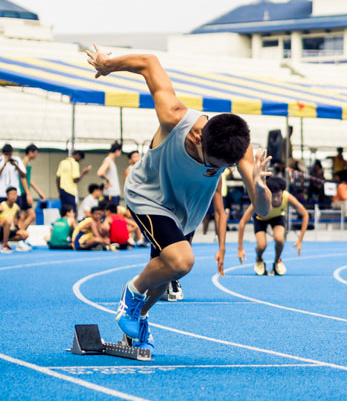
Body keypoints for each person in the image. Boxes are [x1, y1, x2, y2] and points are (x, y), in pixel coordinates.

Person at [86, 45, 272, 350]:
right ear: (199, 137)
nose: (217, 171)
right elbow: (149, 62)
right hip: (147, 195)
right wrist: (108, 64)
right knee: (181, 260)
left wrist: (259, 186)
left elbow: (262, 210)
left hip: (185, 211)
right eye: (213, 166)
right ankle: (130, 292)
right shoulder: (174, 117)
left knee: (161, 278)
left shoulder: (237, 151)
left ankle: (136, 320)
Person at [237, 176, 309, 276]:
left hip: (277, 217)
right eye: (272, 196)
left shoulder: (287, 197)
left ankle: (277, 261)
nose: (275, 199)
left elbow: (305, 214)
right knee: (262, 245)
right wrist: (240, 248)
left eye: (278, 195)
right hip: (260, 219)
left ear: (282, 193)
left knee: (279, 239)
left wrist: (300, 240)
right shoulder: (260, 199)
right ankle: (259, 258)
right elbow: (242, 222)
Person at [0, 145, 34, 251]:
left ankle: (19, 241)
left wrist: (16, 165)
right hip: (2, 193)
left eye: (10, 154)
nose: (9, 156)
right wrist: (4, 163)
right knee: (4, 218)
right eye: (7, 154)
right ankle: (3, 241)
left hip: (16, 192)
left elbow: (24, 175)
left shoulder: (17, 160)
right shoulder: (1, 160)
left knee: (19, 216)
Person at [18, 144, 45, 232]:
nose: (36, 155)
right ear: (30, 152)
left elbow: (29, 179)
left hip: (24, 192)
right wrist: (28, 194)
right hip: (22, 192)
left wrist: (39, 192)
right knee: (28, 215)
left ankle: (20, 236)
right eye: (36, 153)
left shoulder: (27, 163)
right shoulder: (24, 163)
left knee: (24, 215)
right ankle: (19, 235)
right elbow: (23, 179)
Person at [0, 187, 31, 253]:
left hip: (9, 230)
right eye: (11, 194)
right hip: (1, 229)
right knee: (7, 221)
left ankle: (5, 241)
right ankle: (4, 246)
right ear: (7, 196)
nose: (13, 196)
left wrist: (19, 226)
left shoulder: (16, 207)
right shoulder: (2, 206)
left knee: (24, 234)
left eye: (15, 194)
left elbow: (18, 220)